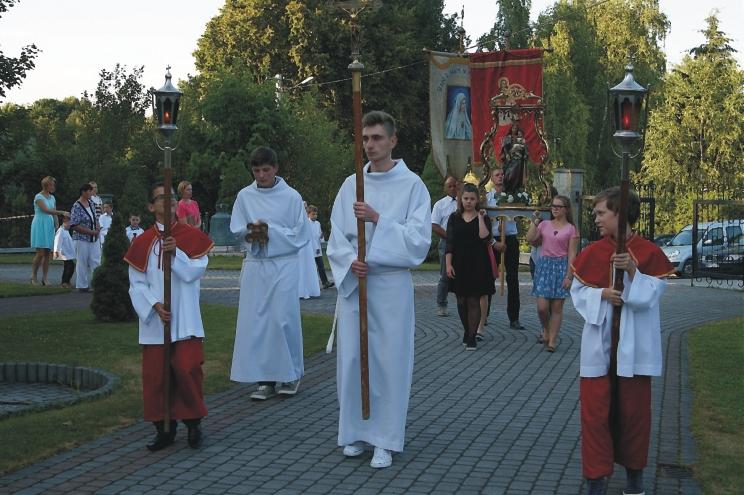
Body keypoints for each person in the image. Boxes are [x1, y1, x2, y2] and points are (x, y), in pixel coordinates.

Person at [327, 111, 431, 469]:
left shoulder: (412, 186)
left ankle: (385, 439)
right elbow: (336, 236)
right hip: (356, 285)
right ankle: (354, 431)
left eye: (376, 138)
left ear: (393, 140)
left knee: (388, 361)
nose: (370, 145)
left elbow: (419, 242)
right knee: (354, 359)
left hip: (389, 286)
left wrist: (378, 220)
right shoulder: (350, 184)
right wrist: (348, 262)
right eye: (365, 138)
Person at [570, 187, 674, 495]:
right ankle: (596, 481)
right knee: (595, 415)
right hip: (599, 351)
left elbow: (653, 294)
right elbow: (578, 292)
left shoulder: (648, 252)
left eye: (601, 212)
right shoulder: (593, 252)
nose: (596, 218)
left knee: (634, 416)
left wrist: (633, 273)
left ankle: (634, 480)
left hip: (634, 352)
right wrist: (601, 294)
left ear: (620, 213)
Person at [124, 183, 214, 452]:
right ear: (152, 206)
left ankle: (193, 424)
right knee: (157, 377)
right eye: (161, 198)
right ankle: (164, 429)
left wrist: (176, 254)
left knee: (187, 370)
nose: (169, 201)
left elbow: (194, 272)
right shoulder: (141, 243)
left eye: (172, 197)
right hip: (156, 321)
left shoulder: (190, 236)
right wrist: (153, 305)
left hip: (185, 317)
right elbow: (135, 283)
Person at [229, 146, 310, 400]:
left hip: (283, 263)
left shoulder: (292, 197)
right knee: (258, 322)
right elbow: (236, 229)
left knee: (283, 318)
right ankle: (265, 379)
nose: (261, 176)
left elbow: (301, 234)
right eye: (256, 171)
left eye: (266, 170)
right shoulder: (244, 196)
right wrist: (252, 232)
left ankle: (291, 374)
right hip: (256, 263)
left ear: (275, 168)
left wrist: (270, 231)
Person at [445, 183, 495, 350]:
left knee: (474, 300)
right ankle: (468, 330)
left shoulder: (484, 217)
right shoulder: (454, 218)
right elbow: (449, 243)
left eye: (472, 199)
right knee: (461, 300)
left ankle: (472, 337)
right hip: (459, 262)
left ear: (477, 200)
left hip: (478, 263)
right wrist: (448, 264)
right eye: (466, 198)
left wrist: (480, 217)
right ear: (461, 199)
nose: (468, 201)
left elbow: (484, 237)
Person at [526, 195, 578, 352]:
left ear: (566, 209)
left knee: (556, 308)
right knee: (542, 307)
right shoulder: (545, 224)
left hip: (561, 267)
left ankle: (552, 340)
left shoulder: (571, 229)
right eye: (553, 206)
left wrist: (569, 276)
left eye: (559, 206)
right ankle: (546, 329)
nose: (554, 208)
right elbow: (530, 238)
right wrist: (535, 222)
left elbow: (572, 254)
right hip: (544, 266)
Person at [485, 168, 525, 330]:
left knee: (513, 278)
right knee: (487, 277)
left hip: (510, 239)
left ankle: (514, 318)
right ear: (491, 178)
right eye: (497, 175)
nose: (501, 177)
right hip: (493, 240)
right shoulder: (487, 198)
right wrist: (493, 242)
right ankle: (483, 314)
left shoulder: (514, 196)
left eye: (503, 174)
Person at [30, 176, 67, 286]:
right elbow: (46, 210)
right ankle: (33, 275)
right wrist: (62, 212)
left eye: (53, 184)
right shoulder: (38, 197)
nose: (53, 186)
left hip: (49, 225)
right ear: (46, 185)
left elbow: (53, 212)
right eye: (51, 184)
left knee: (47, 253)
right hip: (40, 224)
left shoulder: (52, 198)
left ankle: (45, 278)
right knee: (40, 253)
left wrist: (57, 226)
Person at [431, 176, 459, 317]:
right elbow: (434, 225)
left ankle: (464, 302)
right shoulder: (440, 205)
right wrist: (449, 237)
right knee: (445, 275)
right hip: (446, 242)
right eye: (450, 186)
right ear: (445, 188)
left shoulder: (465, 202)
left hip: (463, 243)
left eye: (455, 185)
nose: (453, 188)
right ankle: (441, 304)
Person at [69, 183, 101, 292]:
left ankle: (98, 284)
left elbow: (95, 217)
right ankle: (82, 286)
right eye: (89, 191)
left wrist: (97, 228)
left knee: (96, 261)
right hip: (81, 239)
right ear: (83, 192)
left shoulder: (91, 202)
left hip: (94, 238)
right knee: (82, 262)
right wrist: (91, 232)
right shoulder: (76, 206)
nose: (91, 193)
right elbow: (74, 225)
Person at [298, 202, 321, 299]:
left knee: (308, 267)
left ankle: (308, 288)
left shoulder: (307, 222)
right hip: (300, 247)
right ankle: (301, 290)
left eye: (306, 207)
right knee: (301, 268)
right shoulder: (297, 220)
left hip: (307, 247)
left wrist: (315, 247)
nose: (305, 208)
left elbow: (311, 236)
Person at [308, 204, 334, 289]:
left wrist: (321, 236)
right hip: (310, 249)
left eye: (316, 214)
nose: (315, 216)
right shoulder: (306, 223)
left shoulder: (318, 223)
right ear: (308, 214)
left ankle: (325, 282)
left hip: (317, 248)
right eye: (313, 214)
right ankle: (312, 285)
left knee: (321, 266)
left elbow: (318, 236)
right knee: (311, 268)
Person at [500, 123, 527, 193]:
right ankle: (507, 189)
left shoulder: (520, 138)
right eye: (513, 128)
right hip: (509, 159)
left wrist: (524, 154)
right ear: (511, 129)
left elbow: (524, 149)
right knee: (509, 174)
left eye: (516, 128)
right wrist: (507, 154)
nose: (514, 130)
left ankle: (515, 189)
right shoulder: (508, 137)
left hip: (518, 160)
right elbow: (505, 147)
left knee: (516, 175)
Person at [53, 213, 75, 288]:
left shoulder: (66, 231)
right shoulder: (61, 231)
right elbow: (57, 241)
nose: (70, 225)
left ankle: (66, 281)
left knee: (68, 266)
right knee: (70, 266)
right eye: (69, 222)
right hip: (64, 252)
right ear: (64, 220)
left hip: (68, 252)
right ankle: (65, 282)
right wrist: (56, 251)